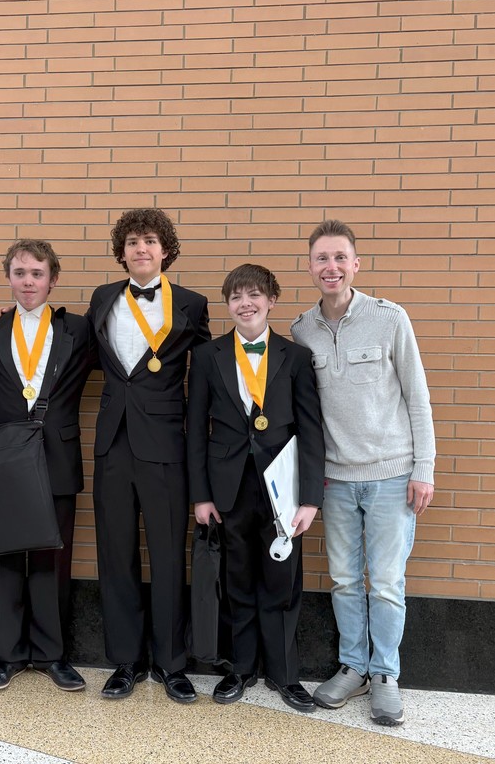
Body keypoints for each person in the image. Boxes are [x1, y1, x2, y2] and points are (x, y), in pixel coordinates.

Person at [290, 219, 436, 726]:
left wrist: (424, 469)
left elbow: (418, 399)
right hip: (335, 480)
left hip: (393, 476)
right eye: (321, 259)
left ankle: (386, 676)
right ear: (310, 268)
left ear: (356, 264)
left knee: (388, 583)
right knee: (347, 580)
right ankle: (352, 667)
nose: (330, 267)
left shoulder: (389, 318)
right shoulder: (301, 330)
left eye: (339, 258)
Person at [187, 264, 325, 712]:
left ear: (271, 300)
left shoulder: (295, 356)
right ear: (228, 305)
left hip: (281, 489)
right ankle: (241, 669)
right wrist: (201, 495)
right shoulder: (208, 356)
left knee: (282, 581)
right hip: (228, 487)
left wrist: (310, 499)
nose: (245, 304)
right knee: (238, 579)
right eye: (236, 297)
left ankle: (285, 675)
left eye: (254, 295)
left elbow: (311, 430)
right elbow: (194, 430)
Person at [87, 208, 211, 704]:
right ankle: (125, 662)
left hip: (165, 445)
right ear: (122, 251)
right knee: (116, 555)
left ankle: (171, 663)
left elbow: (205, 376)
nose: (142, 248)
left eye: (151, 241)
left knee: (166, 555)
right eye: (133, 241)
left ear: (166, 250)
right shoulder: (101, 299)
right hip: (113, 443)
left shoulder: (191, 303)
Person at [0, 239, 96, 693]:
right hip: (3, 459)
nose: (28, 282)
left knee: (51, 558)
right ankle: (7, 656)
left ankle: (51, 655)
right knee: (3, 557)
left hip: (56, 457)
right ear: (8, 277)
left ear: (52, 279)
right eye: (19, 272)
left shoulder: (79, 330)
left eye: (37, 274)